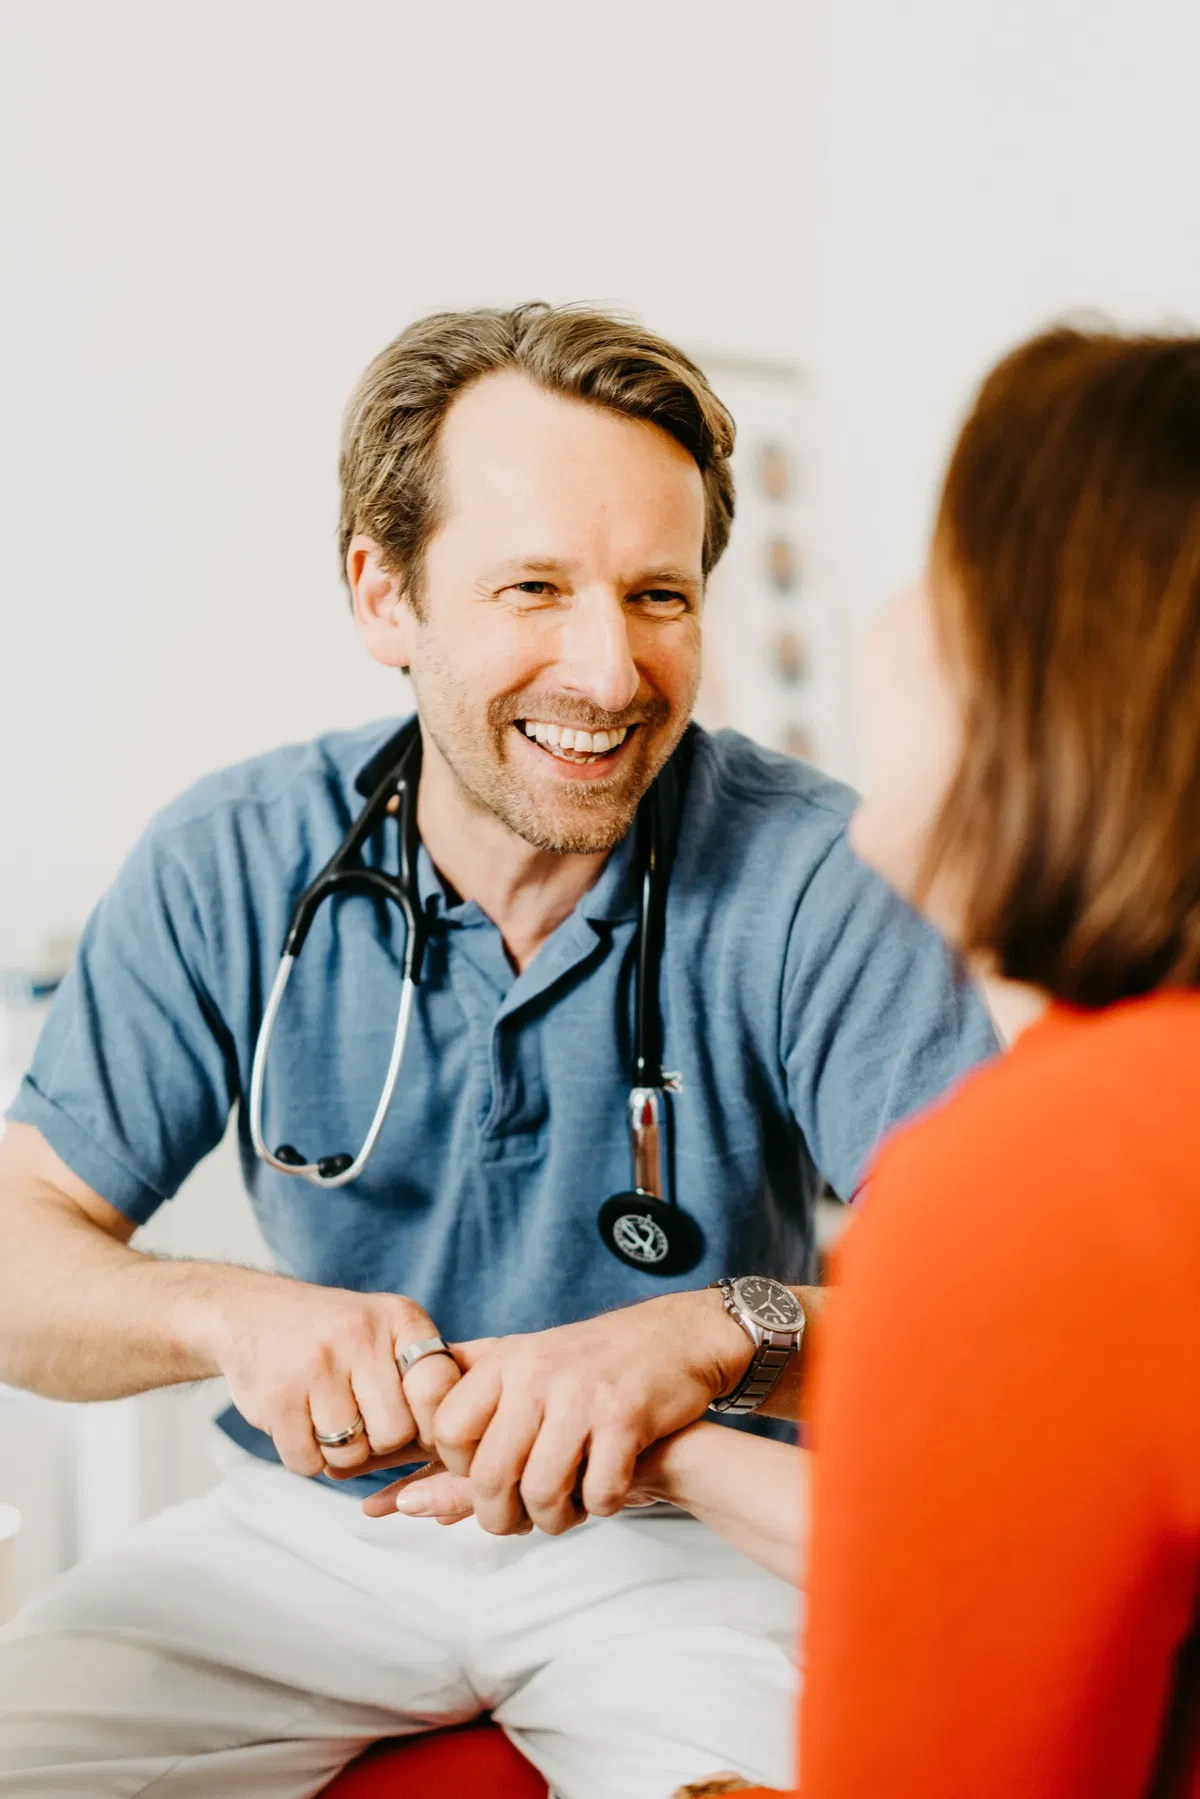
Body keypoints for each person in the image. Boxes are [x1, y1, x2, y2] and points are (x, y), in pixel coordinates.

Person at [0, 302, 996, 1799]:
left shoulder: (819, 880)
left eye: (659, 596)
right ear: (382, 594)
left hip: (673, 1529)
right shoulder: (231, 854)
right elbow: (22, 1255)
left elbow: (986, 1331)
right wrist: (232, 1319)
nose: (608, 671)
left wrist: (721, 1330)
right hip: (309, 1530)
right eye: (534, 587)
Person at [399, 323, 1200, 1798]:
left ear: (1060, 687)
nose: (887, 614)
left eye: (947, 575)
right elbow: (1006, 1530)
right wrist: (660, 1438)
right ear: (385, 598)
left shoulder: (1048, 1177)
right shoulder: (1136, 1118)